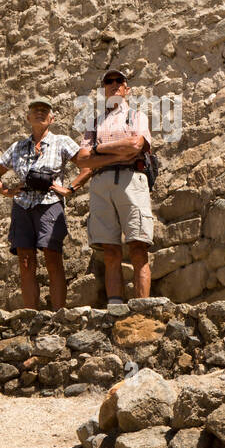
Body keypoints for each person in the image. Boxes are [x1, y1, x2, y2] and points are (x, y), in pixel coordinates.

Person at [0, 97, 89, 309]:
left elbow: (87, 166)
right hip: (22, 206)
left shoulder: (62, 141)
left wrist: (69, 189)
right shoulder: (17, 146)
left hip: (50, 203)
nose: (39, 113)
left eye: (44, 110)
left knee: (53, 258)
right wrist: (6, 191)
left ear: (52, 118)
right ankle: (30, 316)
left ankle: (59, 313)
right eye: (35, 110)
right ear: (28, 117)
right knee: (25, 262)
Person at [73, 68, 153, 305]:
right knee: (109, 251)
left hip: (131, 180)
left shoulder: (137, 116)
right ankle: (115, 306)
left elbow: (136, 144)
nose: (114, 84)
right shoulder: (94, 123)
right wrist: (116, 153)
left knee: (138, 245)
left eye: (120, 81)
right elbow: (82, 159)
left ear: (127, 89)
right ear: (104, 89)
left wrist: (99, 149)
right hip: (102, 185)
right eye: (109, 81)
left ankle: (142, 306)